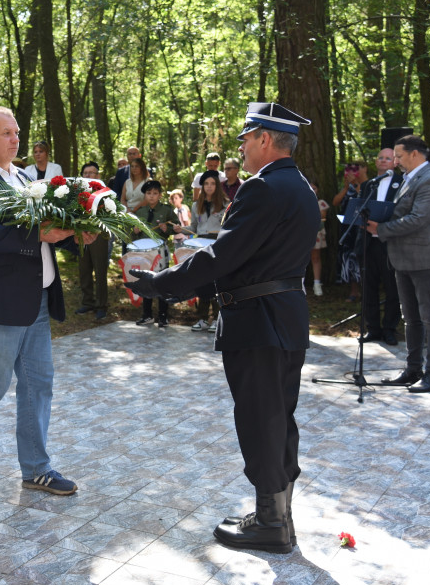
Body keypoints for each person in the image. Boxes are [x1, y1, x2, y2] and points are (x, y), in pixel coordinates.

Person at [127, 102, 319, 554]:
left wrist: (159, 284)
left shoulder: (263, 189)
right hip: (285, 317)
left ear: (265, 140)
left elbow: (222, 257)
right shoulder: (301, 188)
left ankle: (271, 524)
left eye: (246, 138)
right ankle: (277, 515)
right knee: (278, 418)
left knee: (260, 420)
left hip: (258, 323)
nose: (242, 146)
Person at [0, 106, 91, 496]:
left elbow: (49, 230)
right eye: (6, 133)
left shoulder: (26, 177)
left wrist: (76, 235)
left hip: (36, 301)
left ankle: (36, 468)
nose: (15, 139)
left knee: (39, 384)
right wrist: (41, 234)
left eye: (17, 132)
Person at [366, 135, 430, 394]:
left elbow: (418, 219)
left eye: (400, 156)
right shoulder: (410, 178)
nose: (397, 162)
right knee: (411, 319)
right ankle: (413, 369)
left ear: (415, 154)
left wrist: (382, 229)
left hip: (425, 259)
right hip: (402, 258)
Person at [357, 148, 403, 345]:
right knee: (368, 286)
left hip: (390, 242)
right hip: (368, 242)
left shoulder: (401, 183)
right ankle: (372, 328)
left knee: (393, 287)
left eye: (388, 158)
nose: (383, 161)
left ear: (395, 162)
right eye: (380, 158)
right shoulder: (368, 185)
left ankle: (390, 329)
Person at [182, 169, 228, 332]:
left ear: (217, 186)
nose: (209, 187)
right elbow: (194, 228)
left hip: (217, 245)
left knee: (216, 282)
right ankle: (202, 318)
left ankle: (216, 318)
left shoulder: (225, 205)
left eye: (212, 184)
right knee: (202, 281)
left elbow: (227, 228)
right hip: (200, 244)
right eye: (206, 184)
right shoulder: (196, 206)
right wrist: (180, 229)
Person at [133, 180, 176, 328]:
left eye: (155, 193)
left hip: (160, 252)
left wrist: (166, 230)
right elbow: (132, 237)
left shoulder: (167, 210)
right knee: (146, 282)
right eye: (149, 193)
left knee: (162, 281)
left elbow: (176, 227)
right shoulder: (140, 212)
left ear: (160, 195)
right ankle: (147, 315)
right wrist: (135, 231)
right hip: (145, 253)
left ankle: (163, 316)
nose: (152, 196)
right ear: (145, 195)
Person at [75, 162, 111, 321]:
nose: (89, 176)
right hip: (81, 233)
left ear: (98, 175)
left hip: (99, 234)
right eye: (86, 173)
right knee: (84, 268)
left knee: (100, 269)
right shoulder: (74, 191)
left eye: (92, 173)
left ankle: (101, 305)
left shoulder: (104, 192)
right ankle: (87, 302)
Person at [333, 163, 363, 302]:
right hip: (347, 228)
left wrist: (356, 184)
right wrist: (346, 187)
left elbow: (365, 199)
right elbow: (335, 202)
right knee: (348, 257)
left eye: (354, 170)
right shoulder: (346, 188)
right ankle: (353, 291)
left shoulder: (367, 185)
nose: (351, 173)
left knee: (361, 258)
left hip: (361, 228)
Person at [308, 178, 330, 297]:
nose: (312, 190)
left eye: (314, 188)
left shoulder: (321, 203)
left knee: (316, 257)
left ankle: (317, 283)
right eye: (309, 187)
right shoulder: (301, 200)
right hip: (302, 233)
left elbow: (322, 217)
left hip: (316, 232)